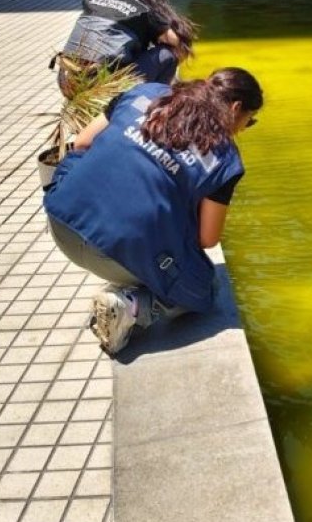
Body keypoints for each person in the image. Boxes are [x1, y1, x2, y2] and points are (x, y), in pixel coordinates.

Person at [43, 68, 263, 354]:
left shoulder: (145, 93)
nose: (244, 128)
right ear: (235, 109)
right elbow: (207, 239)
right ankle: (133, 307)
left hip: (60, 221)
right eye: (249, 121)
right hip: (115, 254)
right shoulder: (225, 158)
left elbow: (83, 143)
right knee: (205, 289)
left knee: (78, 160)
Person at [55, 0, 197, 91]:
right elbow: (177, 42)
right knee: (167, 54)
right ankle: (156, 102)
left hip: (66, 80)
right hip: (102, 85)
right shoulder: (144, 7)